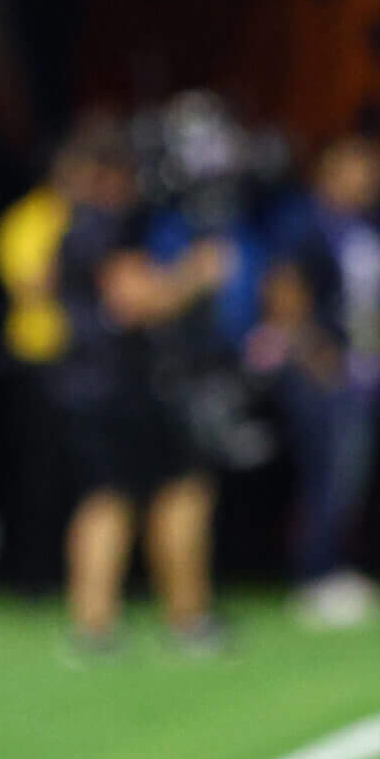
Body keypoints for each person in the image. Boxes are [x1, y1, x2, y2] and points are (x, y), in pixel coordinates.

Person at [52, 124, 229, 654]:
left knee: (115, 497)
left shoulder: (77, 228)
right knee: (168, 491)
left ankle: (97, 622)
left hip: (94, 382)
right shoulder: (100, 228)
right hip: (116, 387)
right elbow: (135, 302)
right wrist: (195, 275)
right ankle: (184, 615)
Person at [255, 136, 380, 627]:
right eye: (360, 169)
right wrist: (314, 352)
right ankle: (314, 576)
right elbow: (283, 288)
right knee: (328, 474)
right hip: (323, 369)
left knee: (349, 474)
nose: (371, 180)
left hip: (366, 369)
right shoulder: (303, 221)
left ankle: (334, 568)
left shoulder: (368, 226)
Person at [0, 132, 84, 596]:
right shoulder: (27, 220)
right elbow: (30, 285)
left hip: (87, 359)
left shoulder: (88, 218)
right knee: (39, 474)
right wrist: (74, 255)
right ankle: (34, 575)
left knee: (84, 476)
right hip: (41, 358)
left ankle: (79, 575)